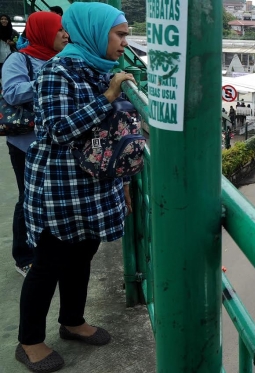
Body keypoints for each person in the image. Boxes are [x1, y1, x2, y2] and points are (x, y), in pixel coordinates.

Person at [16, 3, 136, 372]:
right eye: (120, 34)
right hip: (60, 186)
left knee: (82, 255)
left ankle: (72, 320)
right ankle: (29, 341)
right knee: (48, 263)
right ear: (95, 33)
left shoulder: (98, 68)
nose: (124, 42)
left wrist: (125, 182)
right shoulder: (58, 71)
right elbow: (58, 129)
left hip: (93, 185)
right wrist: (107, 98)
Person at [2, 11, 69, 278]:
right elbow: (12, 92)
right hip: (25, 143)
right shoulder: (19, 59)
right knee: (27, 198)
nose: (65, 35)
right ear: (43, 31)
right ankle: (24, 255)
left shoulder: (64, 58)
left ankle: (52, 249)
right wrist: (48, 80)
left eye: (66, 30)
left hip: (55, 141)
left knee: (53, 197)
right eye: (59, 30)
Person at [0, 14, 20, 79]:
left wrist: (13, 43)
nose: (4, 21)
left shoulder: (13, 32)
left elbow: (18, 41)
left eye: (6, 19)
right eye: (2, 19)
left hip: (10, 56)